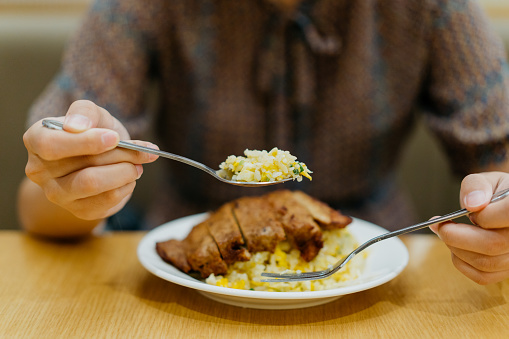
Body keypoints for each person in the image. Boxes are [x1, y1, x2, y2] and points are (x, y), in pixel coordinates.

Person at [18, 0, 509, 285]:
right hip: (185, 279)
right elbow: (38, 200)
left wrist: (498, 215)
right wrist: (78, 177)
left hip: (376, 269)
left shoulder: (435, 8)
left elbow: (500, 152)